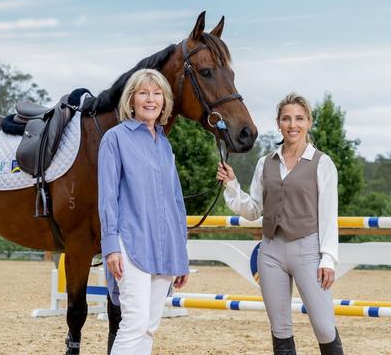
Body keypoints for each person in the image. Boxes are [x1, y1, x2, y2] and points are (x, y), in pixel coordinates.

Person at [217, 93, 343, 355]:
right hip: (271, 251)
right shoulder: (266, 163)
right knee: (280, 329)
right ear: (278, 123)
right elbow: (253, 210)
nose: (292, 124)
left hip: (308, 250)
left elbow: (329, 215)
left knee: (324, 326)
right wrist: (231, 185)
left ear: (308, 122)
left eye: (299, 118)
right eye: (286, 118)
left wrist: (328, 258)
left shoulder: (322, 163)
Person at [98, 68, 189, 355]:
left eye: (157, 93)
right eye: (143, 93)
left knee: (150, 325)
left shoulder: (164, 143)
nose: (151, 99)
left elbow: (176, 201)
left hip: (165, 247)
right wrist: (111, 246)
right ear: (132, 99)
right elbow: (108, 197)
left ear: (165, 101)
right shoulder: (115, 139)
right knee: (134, 323)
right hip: (131, 243)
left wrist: (182, 254)